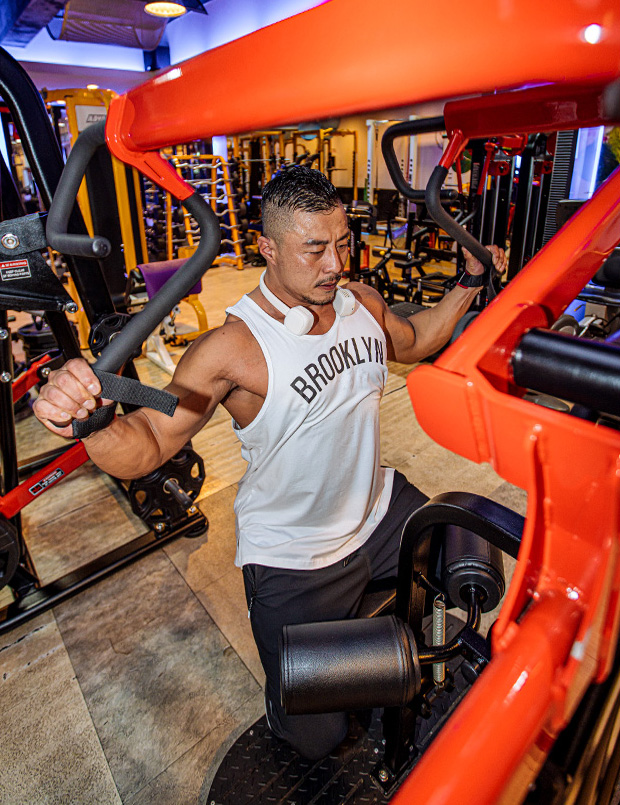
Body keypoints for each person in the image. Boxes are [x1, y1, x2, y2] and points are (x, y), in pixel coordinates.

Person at [33, 166, 506, 760]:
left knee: (465, 569)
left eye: (342, 243)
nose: (335, 264)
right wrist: (92, 423)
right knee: (316, 740)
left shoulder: (360, 302)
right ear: (269, 249)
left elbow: (414, 340)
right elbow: (149, 442)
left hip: (378, 510)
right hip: (295, 553)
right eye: (315, 249)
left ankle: (403, 650)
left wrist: (469, 281)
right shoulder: (232, 349)